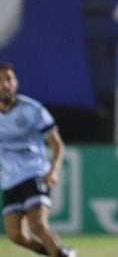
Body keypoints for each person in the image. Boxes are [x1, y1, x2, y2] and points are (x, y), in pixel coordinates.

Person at [0, 62, 76, 257]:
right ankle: (61, 254)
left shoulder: (32, 109)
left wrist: (55, 169)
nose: (4, 84)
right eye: (0, 80)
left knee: (38, 224)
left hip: (35, 172)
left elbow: (57, 144)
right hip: (9, 180)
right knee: (16, 235)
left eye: (9, 79)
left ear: (15, 82)